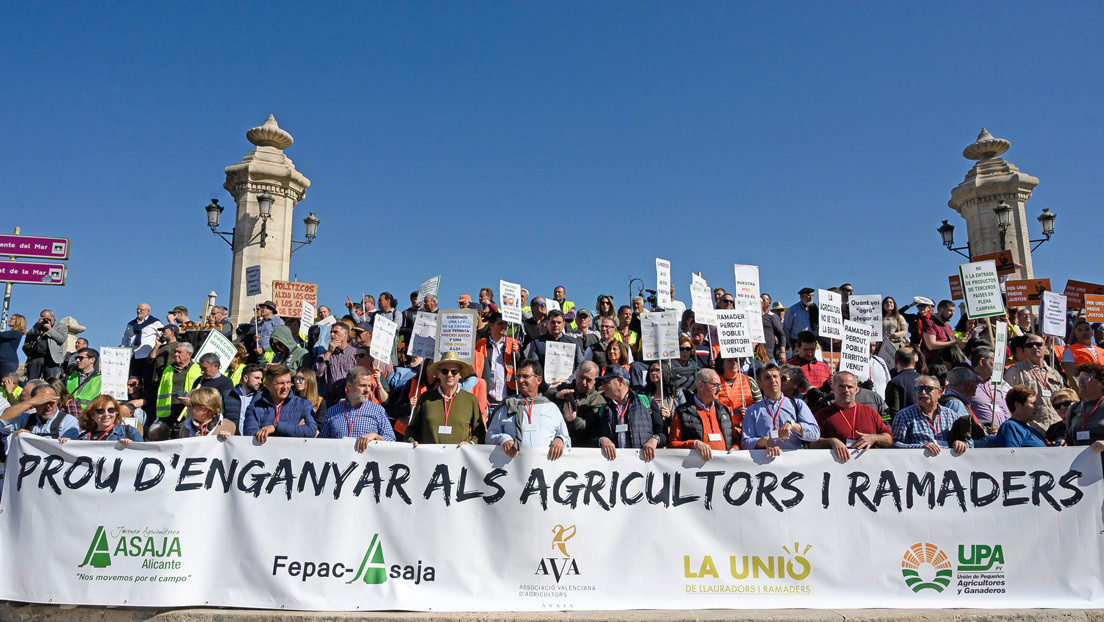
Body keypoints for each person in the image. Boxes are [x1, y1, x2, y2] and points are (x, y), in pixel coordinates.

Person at [487, 360, 569, 459]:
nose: (521, 381)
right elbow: (490, 436)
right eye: (518, 377)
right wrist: (503, 439)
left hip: (545, 469)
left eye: (525, 376)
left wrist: (560, 440)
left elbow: (566, 438)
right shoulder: (506, 406)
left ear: (538, 380)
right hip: (513, 468)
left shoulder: (551, 407)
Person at [809, 371, 893, 461]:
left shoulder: (870, 412)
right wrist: (830, 441)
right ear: (833, 389)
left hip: (868, 466)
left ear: (856, 390)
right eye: (841, 386)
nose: (846, 390)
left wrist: (873, 438)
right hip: (836, 467)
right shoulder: (823, 414)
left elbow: (889, 439)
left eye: (850, 387)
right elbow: (811, 443)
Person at [741, 363, 820, 456]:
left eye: (775, 376)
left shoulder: (797, 404)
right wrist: (765, 441)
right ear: (759, 383)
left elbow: (815, 433)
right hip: (764, 463)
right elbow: (746, 443)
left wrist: (793, 425)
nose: (773, 380)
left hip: (794, 462)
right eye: (767, 378)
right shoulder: (752, 411)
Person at [405, 352, 483, 446]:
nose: (449, 375)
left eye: (454, 371)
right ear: (438, 373)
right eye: (445, 371)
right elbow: (412, 429)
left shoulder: (470, 400)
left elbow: (480, 432)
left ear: (460, 374)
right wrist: (412, 442)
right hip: (429, 457)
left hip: (459, 458)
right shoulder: (425, 398)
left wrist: (471, 443)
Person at [589, 366, 665, 461]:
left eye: (606, 382)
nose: (603, 386)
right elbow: (592, 440)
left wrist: (655, 440)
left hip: (642, 464)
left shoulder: (646, 402)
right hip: (614, 466)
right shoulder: (603, 409)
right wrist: (602, 440)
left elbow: (663, 434)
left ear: (620, 381)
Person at [668, 368, 738, 461]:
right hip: (697, 469)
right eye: (715, 385)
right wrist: (694, 444)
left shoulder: (723, 410)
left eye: (719, 385)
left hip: (724, 467)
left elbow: (735, 440)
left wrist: (735, 448)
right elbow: (673, 444)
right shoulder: (683, 411)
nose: (719, 389)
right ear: (700, 385)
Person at [320, 367, 396, 450]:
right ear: (349, 386)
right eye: (363, 385)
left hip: (366, 461)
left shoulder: (378, 410)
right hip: (339, 460)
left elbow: (391, 439)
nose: (367, 390)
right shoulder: (332, 411)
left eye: (369, 386)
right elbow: (322, 442)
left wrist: (376, 437)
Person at [891, 375, 970, 454]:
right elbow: (894, 444)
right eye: (919, 389)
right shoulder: (904, 415)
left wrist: (962, 444)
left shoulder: (951, 415)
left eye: (928, 389)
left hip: (948, 464)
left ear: (939, 392)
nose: (923, 392)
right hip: (919, 463)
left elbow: (970, 442)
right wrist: (920, 447)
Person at [1003, 335, 1064, 434]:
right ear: (1025, 350)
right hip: (1031, 429)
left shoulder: (1054, 374)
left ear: (1046, 348)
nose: (1034, 347)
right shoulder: (1015, 371)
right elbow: (1008, 402)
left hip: (1056, 428)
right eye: (1029, 345)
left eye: (1038, 344)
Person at [243, 364, 317, 442]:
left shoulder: (303, 404)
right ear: (267, 385)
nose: (285, 387)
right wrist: (295, 429)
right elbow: (250, 436)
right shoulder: (254, 408)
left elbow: (311, 431)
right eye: (281, 383)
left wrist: (276, 427)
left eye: (288, 382)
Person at [544, 360, 603, 448]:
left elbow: (589, 427)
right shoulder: (565, 387)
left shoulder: (597, 400)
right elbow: (544, 396)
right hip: (555, 442)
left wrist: (573, 420)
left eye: (588, 380)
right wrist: (556, 395)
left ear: (595, 381)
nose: (583, 382)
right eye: (581, 377)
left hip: (579, 447)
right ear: (576, 375)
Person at [151, 343, 201, 439]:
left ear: (189, 354)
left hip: (185, 413)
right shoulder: (168, 369)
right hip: (167, 413)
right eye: (175, 352)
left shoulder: (197, 369)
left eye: (179, 352)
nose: (176, 354)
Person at [474, 312, 520, 410]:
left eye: (505, 324)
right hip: (487, 398)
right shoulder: (480, 344)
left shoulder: (513, 343)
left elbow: (521, 365)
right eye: (500, 324)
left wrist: (517, 353)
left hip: (509, 396)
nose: (504, 326)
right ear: (491, 325)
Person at [0, 384, 80, 440]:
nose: (48, 406)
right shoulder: (26, 419)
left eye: (51, 402)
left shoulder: (68, 421)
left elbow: (68, 448)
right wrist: (29, 402)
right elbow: (3, 420)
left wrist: (32, 438)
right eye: (43, 402)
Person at [61, 394, 143, 443]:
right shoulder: (82, 438)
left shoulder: (130, 432)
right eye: (100, 411)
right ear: (92, 415)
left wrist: (132, 448)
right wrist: (67, 444)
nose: (106, 414)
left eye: (111, 410)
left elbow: (142, 456)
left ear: (116, 412)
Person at [313, 323, 357, 405]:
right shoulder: (326, 353)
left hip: (347, 400)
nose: (332, 335)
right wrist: (329, 352)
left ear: (345, 334)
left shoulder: (354, 353)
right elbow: (317, 372)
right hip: (329, 400)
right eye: (331, 332)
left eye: (336, 332)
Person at [967, 346, 1010, 430]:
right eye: (994, 360)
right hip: (983, 437)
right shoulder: (966, 384)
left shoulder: (996, 383)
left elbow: (1006, 412)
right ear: (982, 361)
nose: (999, 365)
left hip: (1003, 435)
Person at [188, 353, 239, 417]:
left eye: (205, 368)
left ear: (215, 366)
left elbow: (223, 405)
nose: (202, 372)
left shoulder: (226, 382)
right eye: (201, 369)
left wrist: (196, 402)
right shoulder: (199, 381)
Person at [1065, 362, 1104, 446]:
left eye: (1086, 378)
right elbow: (1069, 440)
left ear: (1101, 383)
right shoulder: (1074, 408)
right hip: (1082, 458)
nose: (1081, 382)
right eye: (1079, 378)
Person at [22, 309, 68, 380]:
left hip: (51, 358)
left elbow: (61, 339)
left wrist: (49, 329)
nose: (45, 320)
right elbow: (28, 335)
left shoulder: (61, 326)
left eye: (47, 318)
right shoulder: (39, 325)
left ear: (53, 317)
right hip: (36, 357)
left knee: (50, 381)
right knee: (32, 381)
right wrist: (37, 326)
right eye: (42, 318)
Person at [920, 300, 965, 365]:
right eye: (949, 310)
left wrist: (961, 344)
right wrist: (954, 342)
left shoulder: (948, 327)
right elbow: (931, 345)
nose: (952, 313)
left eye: (953, 311)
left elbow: (952, 346)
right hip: (936, 365)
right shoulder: (930, 324)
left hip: (950, 364)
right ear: (940, 310)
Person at [1062, 320, 1104, 384]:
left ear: (1092, 332)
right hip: (1086, 388)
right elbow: (1071, 376)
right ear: (1076, 334)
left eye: (1087, 329)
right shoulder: (1070, 351)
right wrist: (1079, 392)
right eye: (1080, 330)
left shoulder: (1101, 351)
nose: (1084, 332)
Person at [885, 347, 921, 417]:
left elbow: (893, 412)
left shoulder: (894, 383)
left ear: (895, 362)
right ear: (914, 362)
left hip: (903, 424)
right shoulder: (923, 380)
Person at [782, 288, 817, 353]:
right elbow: (786, 329)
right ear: (801, 296)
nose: (811, 298)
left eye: (812, 296)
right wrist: (791, 345)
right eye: (809, 295)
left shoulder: (814, 309)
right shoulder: (792, 310)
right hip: (798, 342)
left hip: (812, 342)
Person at [232, 364, 264, 433]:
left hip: (252, 441)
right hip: (231, 441)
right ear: (246, 378)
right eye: (257, 378)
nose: (260, 382)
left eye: (261, 379)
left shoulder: (262, 398)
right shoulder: (228, 396)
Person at [761, 294, 785, 362]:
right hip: (755, 357)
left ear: (769, 303)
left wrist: (782, 351)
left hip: (770, 354)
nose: (760, 302)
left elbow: (781, 334)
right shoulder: (751, 317)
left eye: (763, 300)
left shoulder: (772, 317)